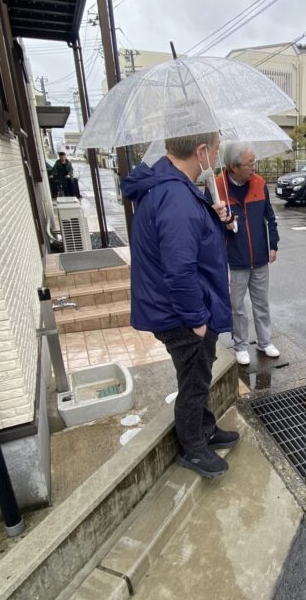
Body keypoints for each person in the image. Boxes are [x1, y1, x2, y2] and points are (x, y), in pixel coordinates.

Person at [120, 133, 239, 478]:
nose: (215, 159)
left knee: (198, 373)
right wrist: (197, 319)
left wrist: (217, 219)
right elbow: (179, 268)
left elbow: (191, 244)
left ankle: (206, 429)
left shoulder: (175, 188)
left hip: (180, 307)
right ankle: (193, 447)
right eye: (215, 151)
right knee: (194, 381)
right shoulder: (176, 197)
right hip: (182, 313)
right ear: (200, 151)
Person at [215, 143, 281, 366]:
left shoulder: (259, 184)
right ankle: (241, 345)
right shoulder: (216, 188)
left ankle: (264, 341)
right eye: (249, 163)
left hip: (260, 257)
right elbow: (208, 225)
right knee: (237, 306)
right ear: (233, 167)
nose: (254, 167)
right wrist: (223, 224)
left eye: (255, 161)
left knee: (261, 303)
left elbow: (269, 217)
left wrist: (274, 244)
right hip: (234, 260)